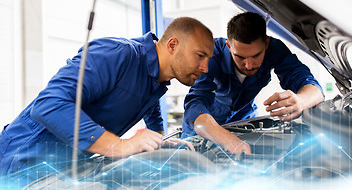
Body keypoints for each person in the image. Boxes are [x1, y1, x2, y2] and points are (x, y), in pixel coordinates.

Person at [0, 17, 215, 175]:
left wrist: (159, 141)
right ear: (172, 45)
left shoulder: (156, 82)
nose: (205, 68)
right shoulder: (118, 54)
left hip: (57, 168)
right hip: (18, 160)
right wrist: (121, 145)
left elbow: (152, 113)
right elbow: (48, 104)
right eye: (200, 56)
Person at [182, 12, 324, 154]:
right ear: (229, 47)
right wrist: (228, 140)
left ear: (266, 44)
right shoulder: (211, 54)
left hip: (243, 122)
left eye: (256, 55)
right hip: (203, 129)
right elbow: (195, 104)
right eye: (240, 57)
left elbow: (312, 87)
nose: (248, 65)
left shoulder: (274, 49)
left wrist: (301, 100)